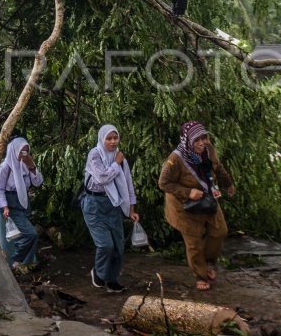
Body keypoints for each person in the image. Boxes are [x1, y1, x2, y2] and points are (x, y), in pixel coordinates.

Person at [158, 121, 235, 291]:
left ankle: (208, 263)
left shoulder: (209, 149)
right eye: (197, 140)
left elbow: (218, 167)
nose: (202, 143)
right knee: (194, 242)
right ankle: (201, 276)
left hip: (207, 198)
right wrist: (187, 192)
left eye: (204, 138)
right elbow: (163, 183)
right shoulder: (175, 159)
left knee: (220, 231)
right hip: (184, 206)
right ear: (187, 141)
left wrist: (228, 183)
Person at [81, 124, 139, 293]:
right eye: (109, 138)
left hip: (113, 204)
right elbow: (101, 178)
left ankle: (112, 281)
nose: (113, 142)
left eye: (115, 138)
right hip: (93, 204)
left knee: (118, 246)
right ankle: (98, 273)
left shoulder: (120, 158)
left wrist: (131, 210)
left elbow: (128, 184)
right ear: (102, 139)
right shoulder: (95, 155)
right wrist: (116, 164)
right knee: (105, 245)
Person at [0, 137, 43, 269]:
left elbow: (37, 182)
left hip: (23, 202)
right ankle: (17, 260)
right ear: (14, 151)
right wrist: (4, 206)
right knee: (30, 233)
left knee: (23, 234)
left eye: (27, 152)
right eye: (22, 152)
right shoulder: (5, 166)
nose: (24, 155)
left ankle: (24, 264)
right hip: (11, 204)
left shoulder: (25, 165)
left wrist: (32, 166)